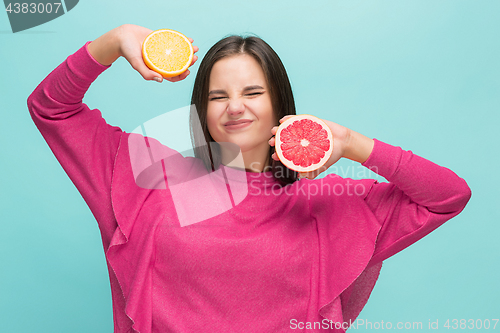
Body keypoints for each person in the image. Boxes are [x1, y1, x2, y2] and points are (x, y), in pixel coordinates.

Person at [28, 24, 471, 333]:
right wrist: (114, 40)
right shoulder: (147, 178)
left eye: (252, 92)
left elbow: (448, 196)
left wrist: (352, 142)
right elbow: (50, 108)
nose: (234, 107)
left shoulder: (328, 204)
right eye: (217, 96)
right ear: (202, 111)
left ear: (281, 104)